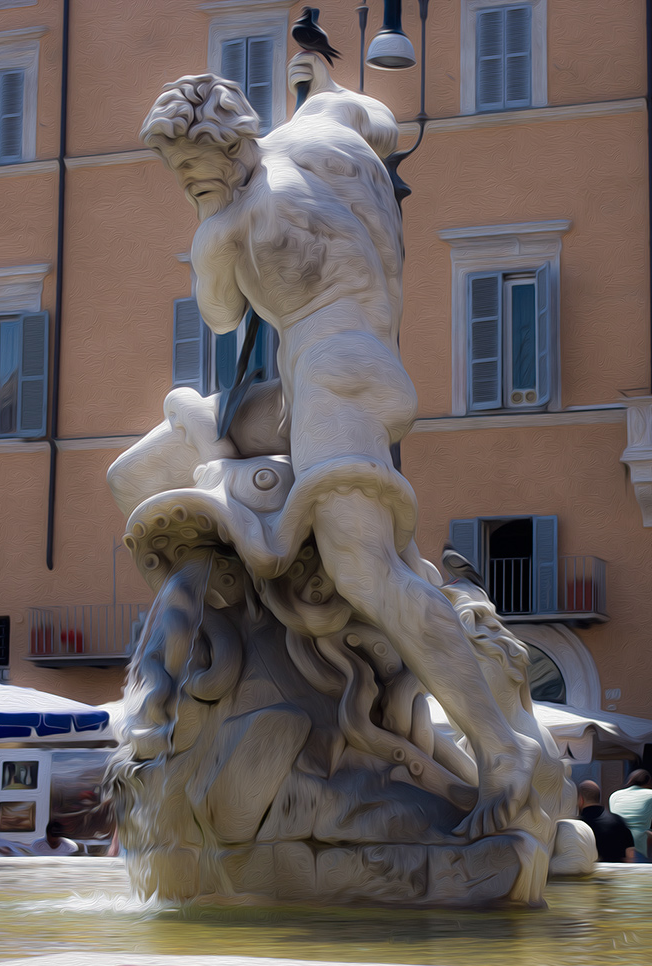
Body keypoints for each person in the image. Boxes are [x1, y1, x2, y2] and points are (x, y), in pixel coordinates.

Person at [108, 53, 541, 841]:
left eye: (195, 173)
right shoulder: (320, 134)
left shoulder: (226, 222)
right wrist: (323, 83)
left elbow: (217, 315)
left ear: (235, 152)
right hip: (340, 371)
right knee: (136, 476)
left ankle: (501, 750)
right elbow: (373, 117)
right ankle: (215, 654)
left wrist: (213, 233)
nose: (190, 187)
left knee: (363, 568)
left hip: (333, 373)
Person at [577, 780, 634, 863]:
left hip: (591, 874)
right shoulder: (618, 820)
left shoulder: (578, 825)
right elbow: (630, 855)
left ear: (581, 799)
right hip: (617, 873)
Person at [609, 769, 652, 862]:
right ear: (649, 783)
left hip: (617, 845)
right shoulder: (650, 795)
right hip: (638, 846)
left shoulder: (615, 796)